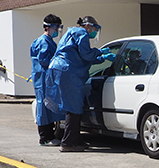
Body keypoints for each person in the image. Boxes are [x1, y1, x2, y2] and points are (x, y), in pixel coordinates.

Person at [45, 16, 115, 152]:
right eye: (94, 28)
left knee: (72, 106)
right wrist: (101, 55)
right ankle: (68, 143)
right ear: (88, 26)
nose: (94, 32)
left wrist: (99, 55)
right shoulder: (82, 33)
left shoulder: (72, 32)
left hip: (61, 69)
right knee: (74, 107)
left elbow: (79, 55)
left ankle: (76, 140)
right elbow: (86, 55)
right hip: (68, 71)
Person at [30, 14, 65, 146]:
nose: (57, 31)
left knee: (48, 107)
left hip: (46, 79)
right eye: (55, 28)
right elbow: (44, 60)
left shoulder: (48, 41)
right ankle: (45, 137)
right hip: (43, 79)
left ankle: (49, 135)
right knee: (44, 107)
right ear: (47, 27)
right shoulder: (43, 42)